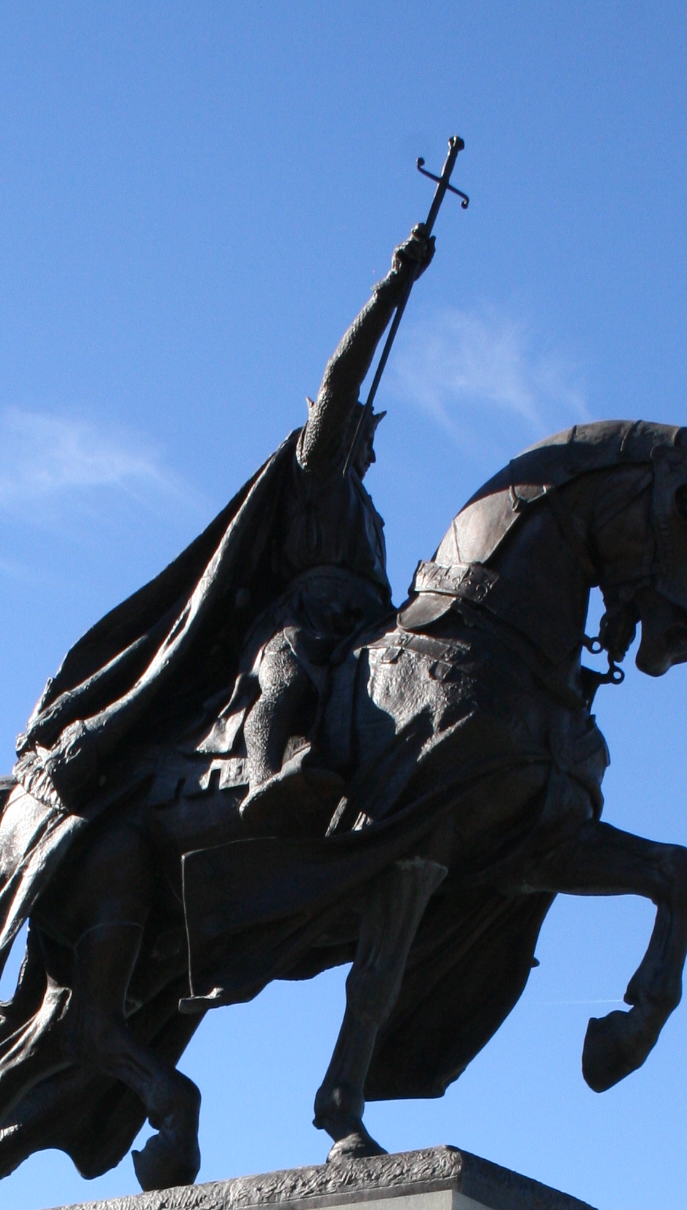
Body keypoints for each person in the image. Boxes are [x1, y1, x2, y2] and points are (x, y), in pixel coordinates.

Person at [236, 224, 436, 833]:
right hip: (303, 621)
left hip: (363, 629)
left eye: (373, 440)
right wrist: (392, 288)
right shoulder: (318, 469)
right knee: (287, 679)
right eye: (364, 435)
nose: (371, 452)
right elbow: (340, 375)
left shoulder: (369, 512)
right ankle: (263, 783)